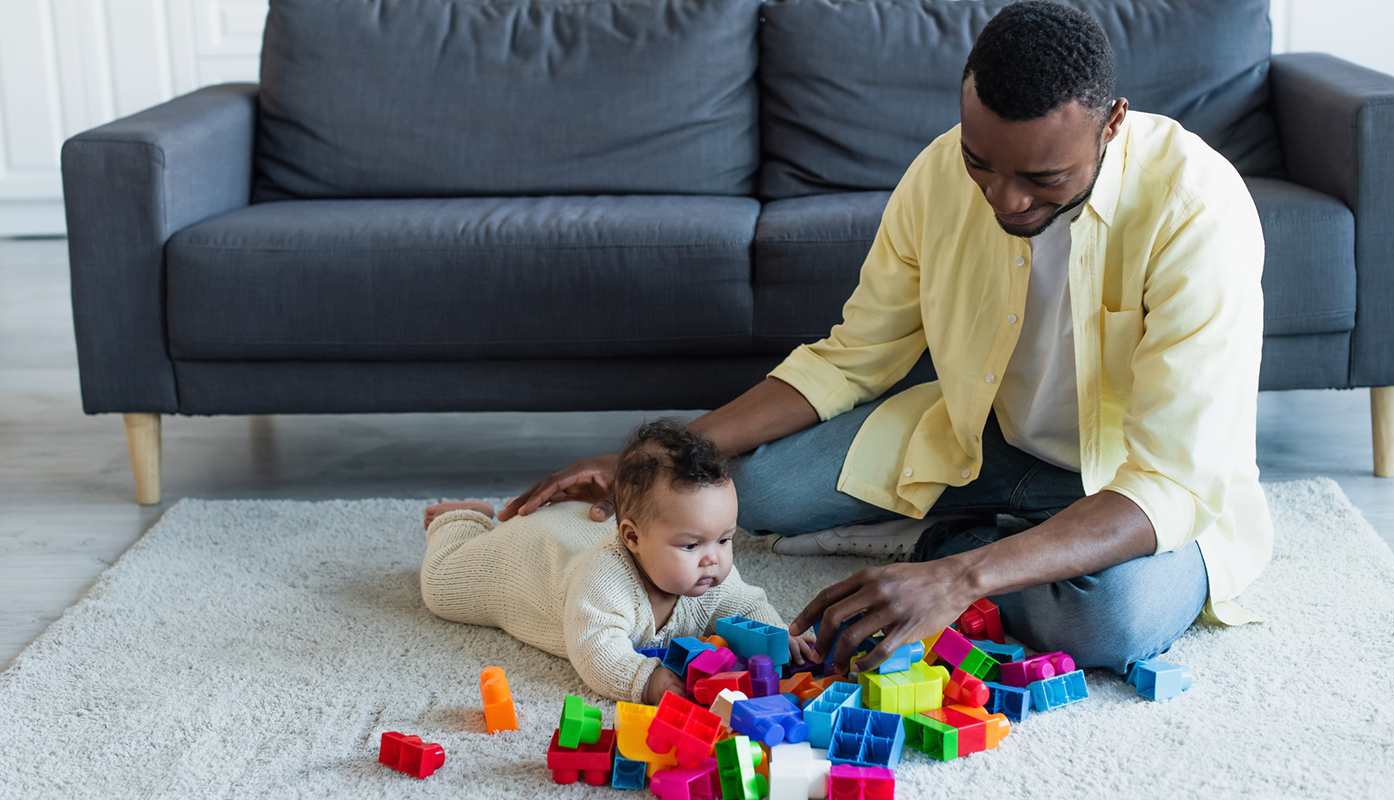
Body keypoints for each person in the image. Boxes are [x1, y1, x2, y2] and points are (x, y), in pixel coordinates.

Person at [499, 1, 1272, 679]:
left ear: (1111, 123)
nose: (1005, 197)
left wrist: (959, 580)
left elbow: (1170, 481)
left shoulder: (1195, 212)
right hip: (987, 445)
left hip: (1131, 484)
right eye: (982, 162)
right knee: (756, 493)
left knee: (1105, 626)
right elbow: (850, 358)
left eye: (1043, 178)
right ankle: (987, 540)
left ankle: (966, 551)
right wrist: (654, 461)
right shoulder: (938, 174)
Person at [421, 419, 818, 704]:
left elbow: (747, 604)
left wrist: (780, 635)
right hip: (529, 558)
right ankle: (460, 520)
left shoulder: (710, 572)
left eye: (725, 539)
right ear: (632, 537)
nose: (713, 559)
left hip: (580, 530)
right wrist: (645, 679)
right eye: (691, 545)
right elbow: (595, 649)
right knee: (441, 586)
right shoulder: (605, 583)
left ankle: (571, 512)